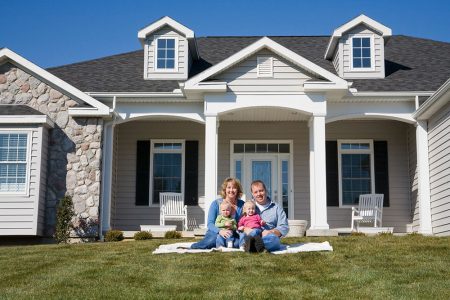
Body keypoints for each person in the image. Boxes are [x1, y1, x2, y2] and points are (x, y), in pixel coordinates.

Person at [190, 177, 245, 249]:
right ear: (225, 189)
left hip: (232, 233)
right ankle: (194, 246)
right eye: (229, 187)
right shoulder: (216, 204)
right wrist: (220, 231)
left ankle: (224, 244)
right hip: (215, 232)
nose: (231, 190)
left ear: (238, 190)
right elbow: (210, 223)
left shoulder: (242, 204)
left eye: (234, 188)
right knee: (211, 241)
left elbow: (244, 221)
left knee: (238, 243)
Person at [246, 180, 289, 252]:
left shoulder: (276, 208)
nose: (259, 194)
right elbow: (240, 223)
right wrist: (245, 229)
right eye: (256, 192)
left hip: (269, 237)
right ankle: (256, 246)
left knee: (274, 240)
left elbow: (284, 227)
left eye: (261, 191)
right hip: (252, 235)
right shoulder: (248, 207)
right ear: (252, 194)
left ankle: (252, 245)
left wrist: (271, 232)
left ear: (266, 191)